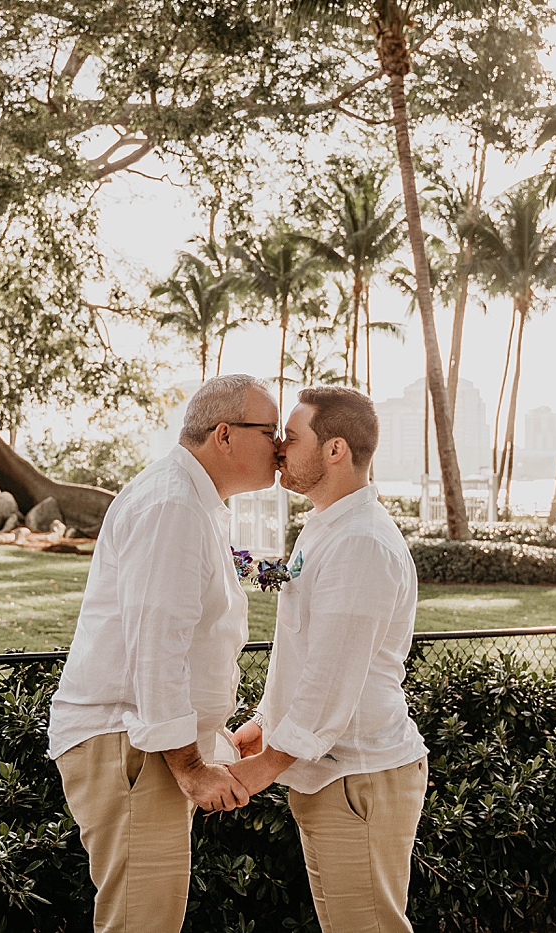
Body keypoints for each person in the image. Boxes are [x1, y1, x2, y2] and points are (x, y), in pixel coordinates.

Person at [48, 373, 280, 933]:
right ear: (224, 435)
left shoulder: (189, 500)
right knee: (142, 924)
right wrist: (193, 768)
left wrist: (216, 738)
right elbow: (155, 649)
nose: (281, 446)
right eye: (270, 431)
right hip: (127, 745)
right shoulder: (173, 505)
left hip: (137, 742)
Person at [231, 385, 429, 933]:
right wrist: (263, 725)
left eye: (291, 438)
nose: (278, 448)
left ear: (335, 449)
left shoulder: (360, 543)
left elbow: (331, 676)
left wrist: (257, 771)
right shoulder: (327, 527)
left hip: (358, 778)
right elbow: (307, 645)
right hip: (334, 774)